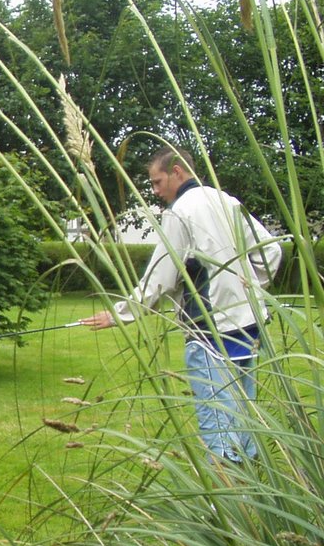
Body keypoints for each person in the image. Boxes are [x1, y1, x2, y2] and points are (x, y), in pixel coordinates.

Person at [80, 145, 283, 464]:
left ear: (177, 172)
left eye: (157, 182)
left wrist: (120, 314)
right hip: (248, 325)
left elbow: (159, 278)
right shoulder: (227, 201)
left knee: (216, 420)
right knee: (245, 414)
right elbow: (271, 254)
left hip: (208, 330)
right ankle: (253, 493)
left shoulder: (181, 211)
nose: (155, 191)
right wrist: (248, 290)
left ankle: (228, 504)